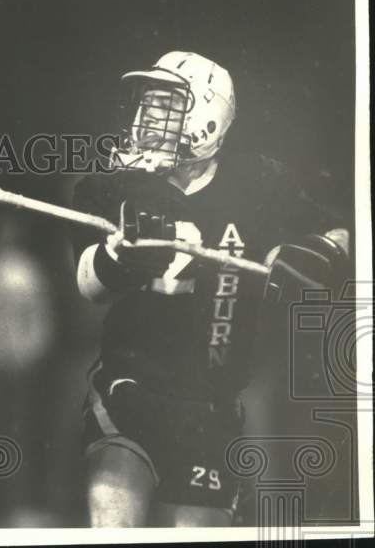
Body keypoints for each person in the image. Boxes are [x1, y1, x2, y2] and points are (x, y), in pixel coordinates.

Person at [73, 51, 350, 526]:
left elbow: (343, 231)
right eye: (145, 104)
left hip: (211, 403)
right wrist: (119, 258)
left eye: (164, 105)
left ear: (207, 116)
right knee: (111, 516)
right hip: (130, 390)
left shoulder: (259, 184)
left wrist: (321, 251)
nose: (146, 118)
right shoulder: (112, 185)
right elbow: (87, 286)